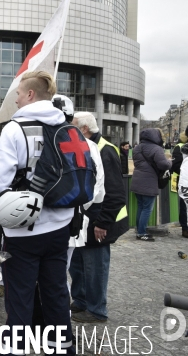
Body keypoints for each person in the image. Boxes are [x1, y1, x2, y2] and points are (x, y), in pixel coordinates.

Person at [0, 71, 75, 355]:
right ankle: (62, 348)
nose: (17, 99)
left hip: (22, 228)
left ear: (31, 94)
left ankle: (15, 349)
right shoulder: (66, 128)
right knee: (56, 293)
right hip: (61, 224)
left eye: (19, 94)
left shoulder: (15, 129)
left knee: (20, 296)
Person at [69, 111, 128, 323]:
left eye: (73, 125)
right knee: (78, 264)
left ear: (84, 129)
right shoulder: (85, 147)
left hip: (100, 221)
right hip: (84, 220)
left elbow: (115, 193)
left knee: (95, 267)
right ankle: (81, 301)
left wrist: (102, 222)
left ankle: (96, 310)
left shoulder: (104, 150)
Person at [130, 128, 171, 241]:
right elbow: (163, 165)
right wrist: (170, 162)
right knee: (147, 208)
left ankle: (139, 229)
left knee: (141, 207)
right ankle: (142, 232)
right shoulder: (156, 149)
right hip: (149, 181)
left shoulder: (137, 147)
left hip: (137, 180)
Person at [171, 127, 188, 238]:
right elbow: (176, 165)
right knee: (184, 206)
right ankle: (185, 229)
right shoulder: (180, 148)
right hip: (184, 181)